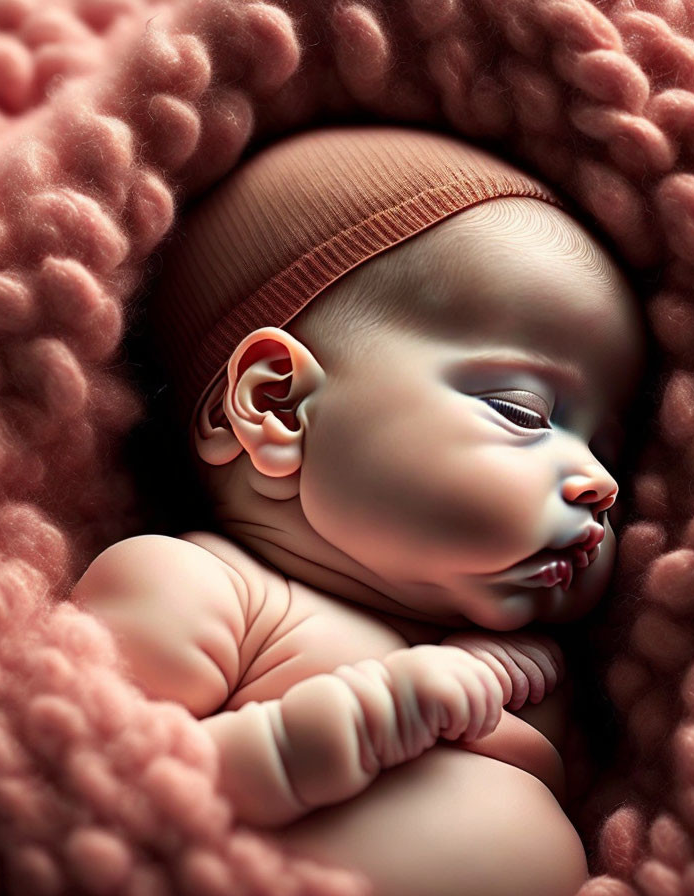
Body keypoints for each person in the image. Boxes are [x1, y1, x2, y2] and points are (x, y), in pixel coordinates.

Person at [70, 127, 647, 896]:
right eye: (523, 411)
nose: (598, 483)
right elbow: (100, 793)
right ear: (277, 405)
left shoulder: (536, 670)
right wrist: (363, 720)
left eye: (607, 449)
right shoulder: (197, 585)